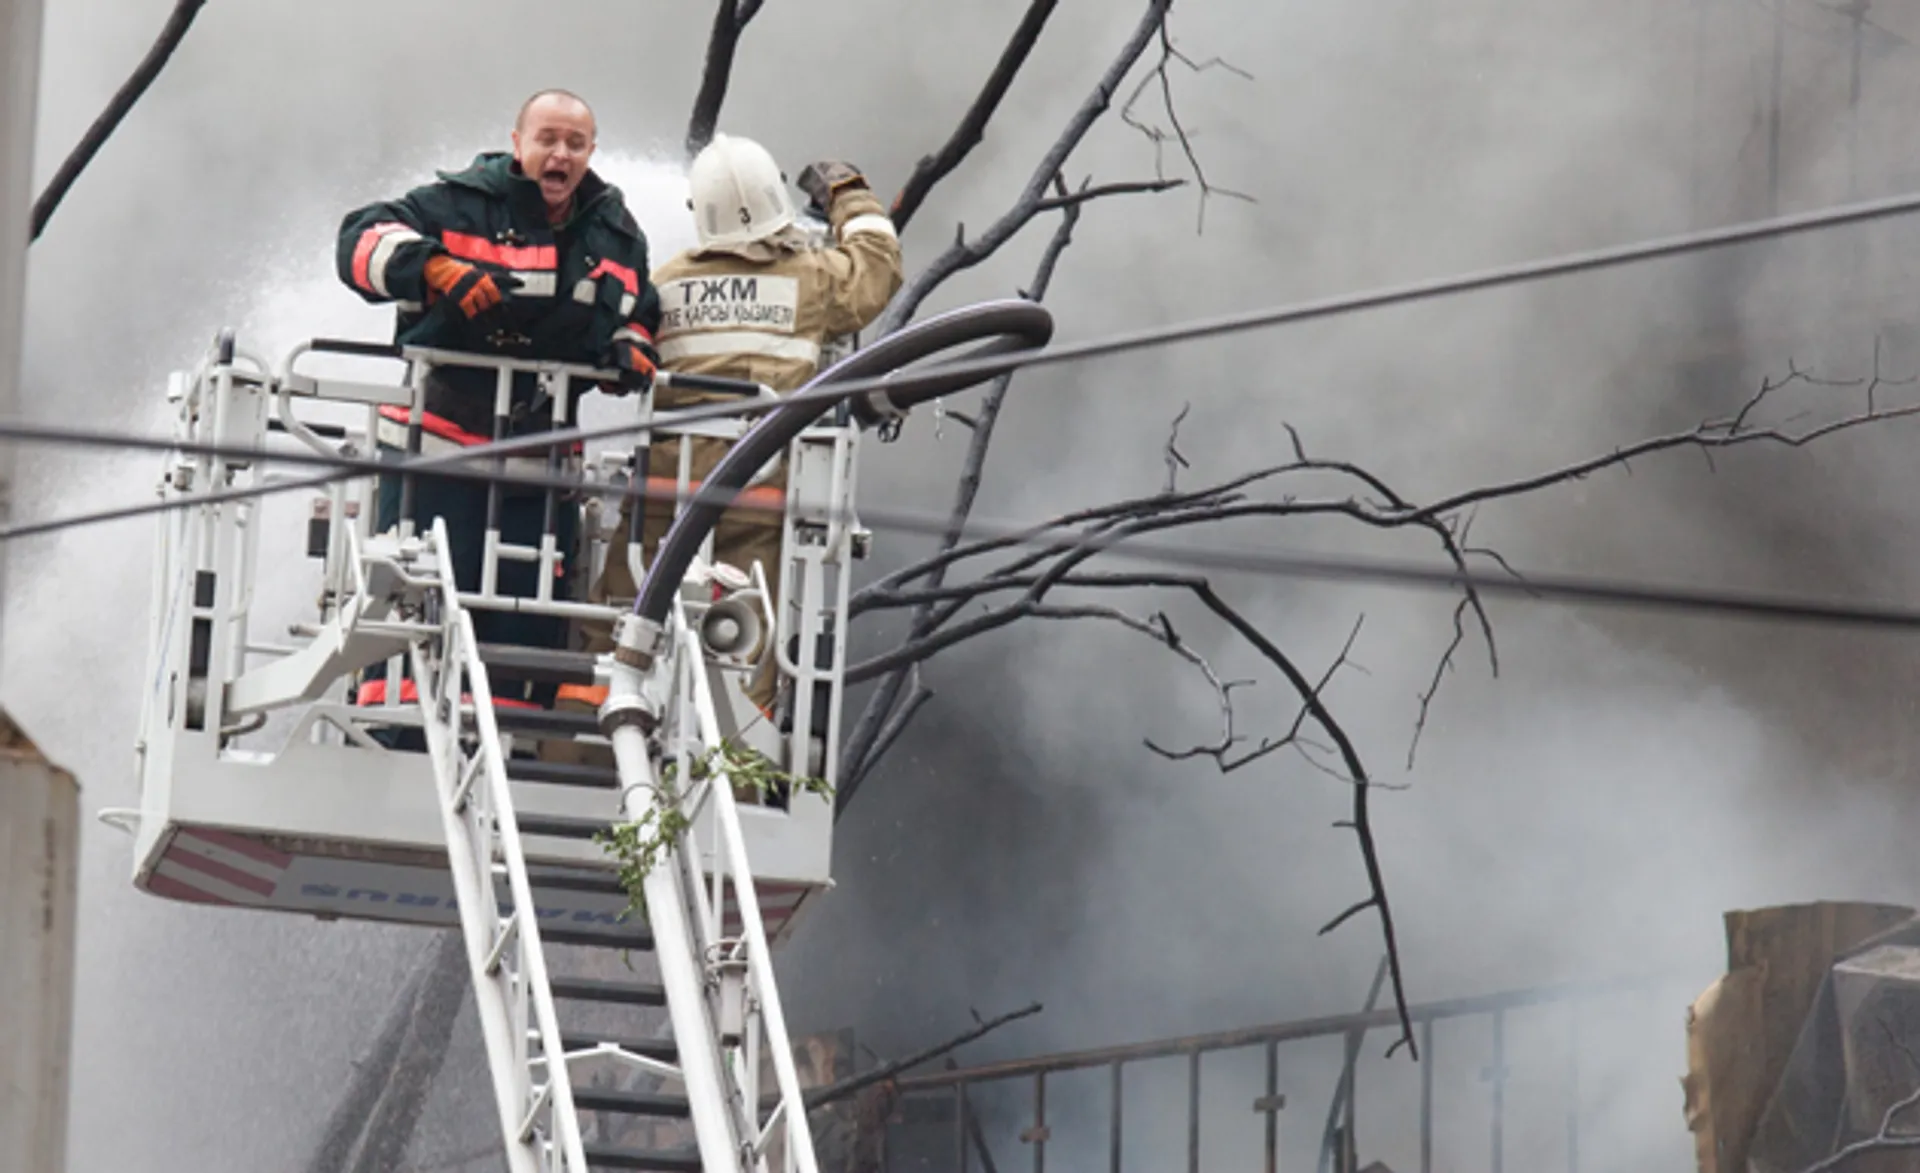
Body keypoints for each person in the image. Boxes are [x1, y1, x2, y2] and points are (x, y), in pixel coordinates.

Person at [336, 89, 663, 709]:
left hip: (541, 481)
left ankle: (509, 749)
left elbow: (637, 309)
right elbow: (358, 240)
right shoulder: (456, 206)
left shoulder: (615, 233)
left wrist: (627, 347)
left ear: (592, 151)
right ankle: (395, 730)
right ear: (518, 144)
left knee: (517, 650)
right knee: (418, 627)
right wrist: (434, 269)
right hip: (438, 463)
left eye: (574, 143)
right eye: (547, 140)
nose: (560, 154)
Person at [586, 132, 903, 716]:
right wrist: (848, 194)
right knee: (742, 649)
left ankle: (581, 749)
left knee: (620, 637)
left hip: (659, 497)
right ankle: (732, 774)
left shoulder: (667, 280)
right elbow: (876, 270)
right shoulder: (813, 278)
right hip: (756, 494)